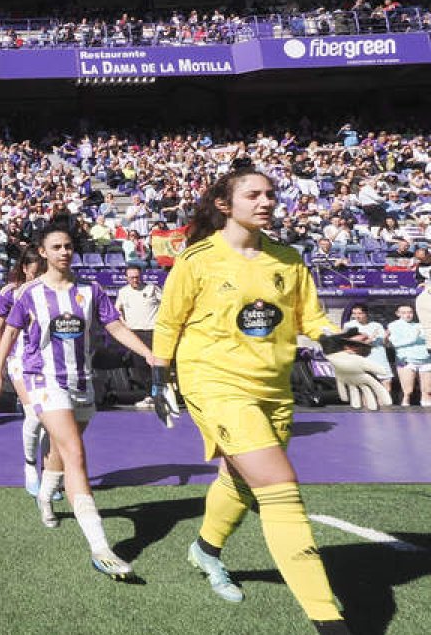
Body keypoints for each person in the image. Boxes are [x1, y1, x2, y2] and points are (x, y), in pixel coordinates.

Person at [152, 167, 388, 633]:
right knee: (280, 489)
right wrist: (160, 377)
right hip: (214, 384)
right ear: (225, 204)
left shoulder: (288, 258)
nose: (266, 202)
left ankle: (205, 550)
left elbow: (312, 319)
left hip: (273, 388)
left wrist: (336, 345)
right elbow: (168, 323)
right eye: (253, 195)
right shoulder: (196, 259)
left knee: (239, 480)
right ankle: (328, 618)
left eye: (270, 194)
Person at [0, 224, 156, 580]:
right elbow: (9, 334)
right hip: (44, 381)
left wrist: (149, 354)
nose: (65, 251)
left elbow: (116, 327)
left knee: (61, 453)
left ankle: (46, 496)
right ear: (43, 252)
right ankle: (100, 548)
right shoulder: (30, 293)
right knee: (76, 453)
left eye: (68, 246)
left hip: (82, 383)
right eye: (57, 246)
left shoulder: (90, 290)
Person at [0, 247, 48, 496]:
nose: (36, 278)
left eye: (40, 273)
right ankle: (30, 467)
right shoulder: (8, 294)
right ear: (24, 269)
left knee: (49, 420)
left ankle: (49, 473)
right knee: (34, 415)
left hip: (43, 360)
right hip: (17, 360)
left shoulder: (48, 291)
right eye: (33, 273)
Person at [115, 266, 163, 407]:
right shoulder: (123, 292)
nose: (135, 280)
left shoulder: (152, 289)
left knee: (156, 366)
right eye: (131, 277)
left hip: (152, 331)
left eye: (137, 277)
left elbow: (165, 305)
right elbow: (117, 310)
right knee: (140, 367)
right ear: (126, 278)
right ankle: (149, 396)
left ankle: (160, 396)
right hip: (135, 334)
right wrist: (124, 324)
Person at [342, 303, 393, 402]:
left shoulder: (376, 325)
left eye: (360, 313)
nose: (357, 316)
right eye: (354, 313)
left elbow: (385, 343)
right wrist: (370, 339)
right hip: (362, 358)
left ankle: (383, 409)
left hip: (379, 357)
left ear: (366, 313)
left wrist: (386, 337)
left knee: (386, 383)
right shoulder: (349, 326)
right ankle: (366, 412)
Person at [387, 304, 431, 406]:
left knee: (428, 391)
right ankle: (404, 413)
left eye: (410, 312)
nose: (408, 315)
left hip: (426, 360)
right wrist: (414, 337)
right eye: (404, 313)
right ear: (398, 314)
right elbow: (396, 343)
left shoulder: (419, 325)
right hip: (407, 361)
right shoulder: (393, 325)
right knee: (408, 392)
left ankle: (427, 416)